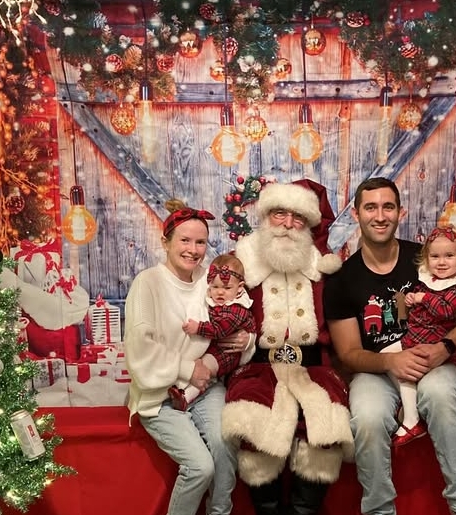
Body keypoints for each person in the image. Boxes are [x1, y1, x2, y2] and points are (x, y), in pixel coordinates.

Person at [323, 178, 456, 515]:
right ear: (356, 214)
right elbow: (349, 354)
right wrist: (391, 362)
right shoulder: (342, 279)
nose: (380, 216)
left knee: (441, 395)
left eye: (388, 207)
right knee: (367, 417)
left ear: (401, 212)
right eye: (370, 207)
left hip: (432, 360)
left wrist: (446, 347)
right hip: (376, 369)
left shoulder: (425, 258)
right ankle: (379, 510)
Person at [221, 179, 352, 515]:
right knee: (255, 418)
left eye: (298, 217)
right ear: (266, 216)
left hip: (314, 366)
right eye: (279, 214)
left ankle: (304, 511)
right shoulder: (241, 263)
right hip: (257, 365)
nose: (288, 224)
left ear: (308, 225)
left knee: (325, 424)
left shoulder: (322, 267)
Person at [124, 200, 251, 515]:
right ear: (165, 242)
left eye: (200, 242)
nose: (193, 250)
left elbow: (241, 311)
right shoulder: (148, 283)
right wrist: (187, 368)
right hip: (160, 395)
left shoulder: (210, 280)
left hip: (205, 387)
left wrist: (246, 340)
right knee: (200, 467)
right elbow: (140, 349)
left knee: (224, 446)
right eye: (185, 240)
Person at [386, 224, 456, 446]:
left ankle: (411, 419)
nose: (442, 262)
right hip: (414, 339)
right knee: (388, 360)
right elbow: (418, 305)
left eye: (449, 256)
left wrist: (423, 299)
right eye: (435, 256)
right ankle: (410, 409)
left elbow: (446, 309)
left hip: (433, 346)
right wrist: (411, 299)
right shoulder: (429, 280)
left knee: (405, 370)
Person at [169, 254, 256, 411]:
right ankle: (182, 389)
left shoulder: (237, 309)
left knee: (205, 368)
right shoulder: (217, 299)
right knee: (198, 364)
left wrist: (198, 328)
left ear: (240, 288)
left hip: (228, 352)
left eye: (227, 288)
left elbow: (220, 330)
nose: (220, 292)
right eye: (215, 287)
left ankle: (185, 397)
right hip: (215, 346)